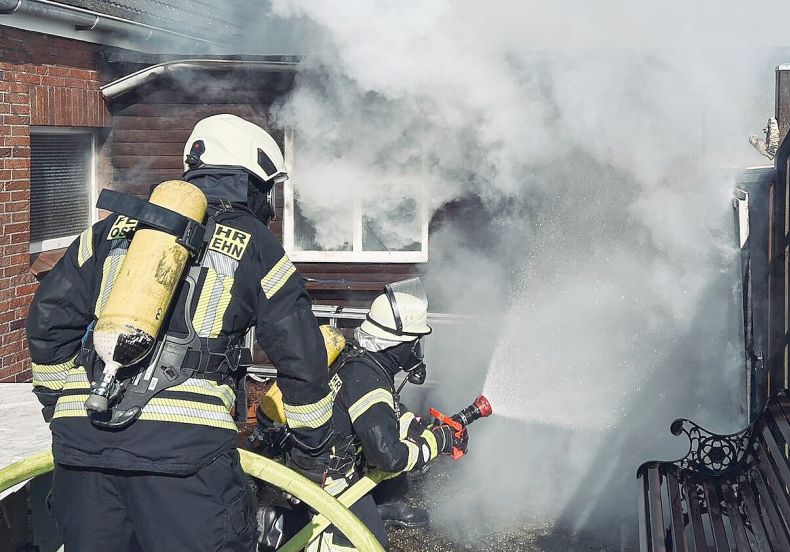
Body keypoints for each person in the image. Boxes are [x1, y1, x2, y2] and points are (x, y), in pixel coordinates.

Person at [27, 114, 335, 551]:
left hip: (83, 445)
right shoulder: (257, 247)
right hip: (186, 457)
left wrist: (61, 406)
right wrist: (309, 457)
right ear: (255, 180)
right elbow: (301, 358)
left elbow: (47, 321)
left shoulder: (110, 231)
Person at [256, 278, 467, 551]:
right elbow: (389, 456)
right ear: (400, 344)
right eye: (416, 342)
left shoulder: (359, 362)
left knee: (371, 521)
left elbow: (380, 417)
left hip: (312, 464)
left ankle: (286, 525)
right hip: (328, 481)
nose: (417, 351)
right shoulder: (370, 382)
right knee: (363, 542)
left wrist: (419, 429)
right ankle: (282, 528)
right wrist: (438, 443)